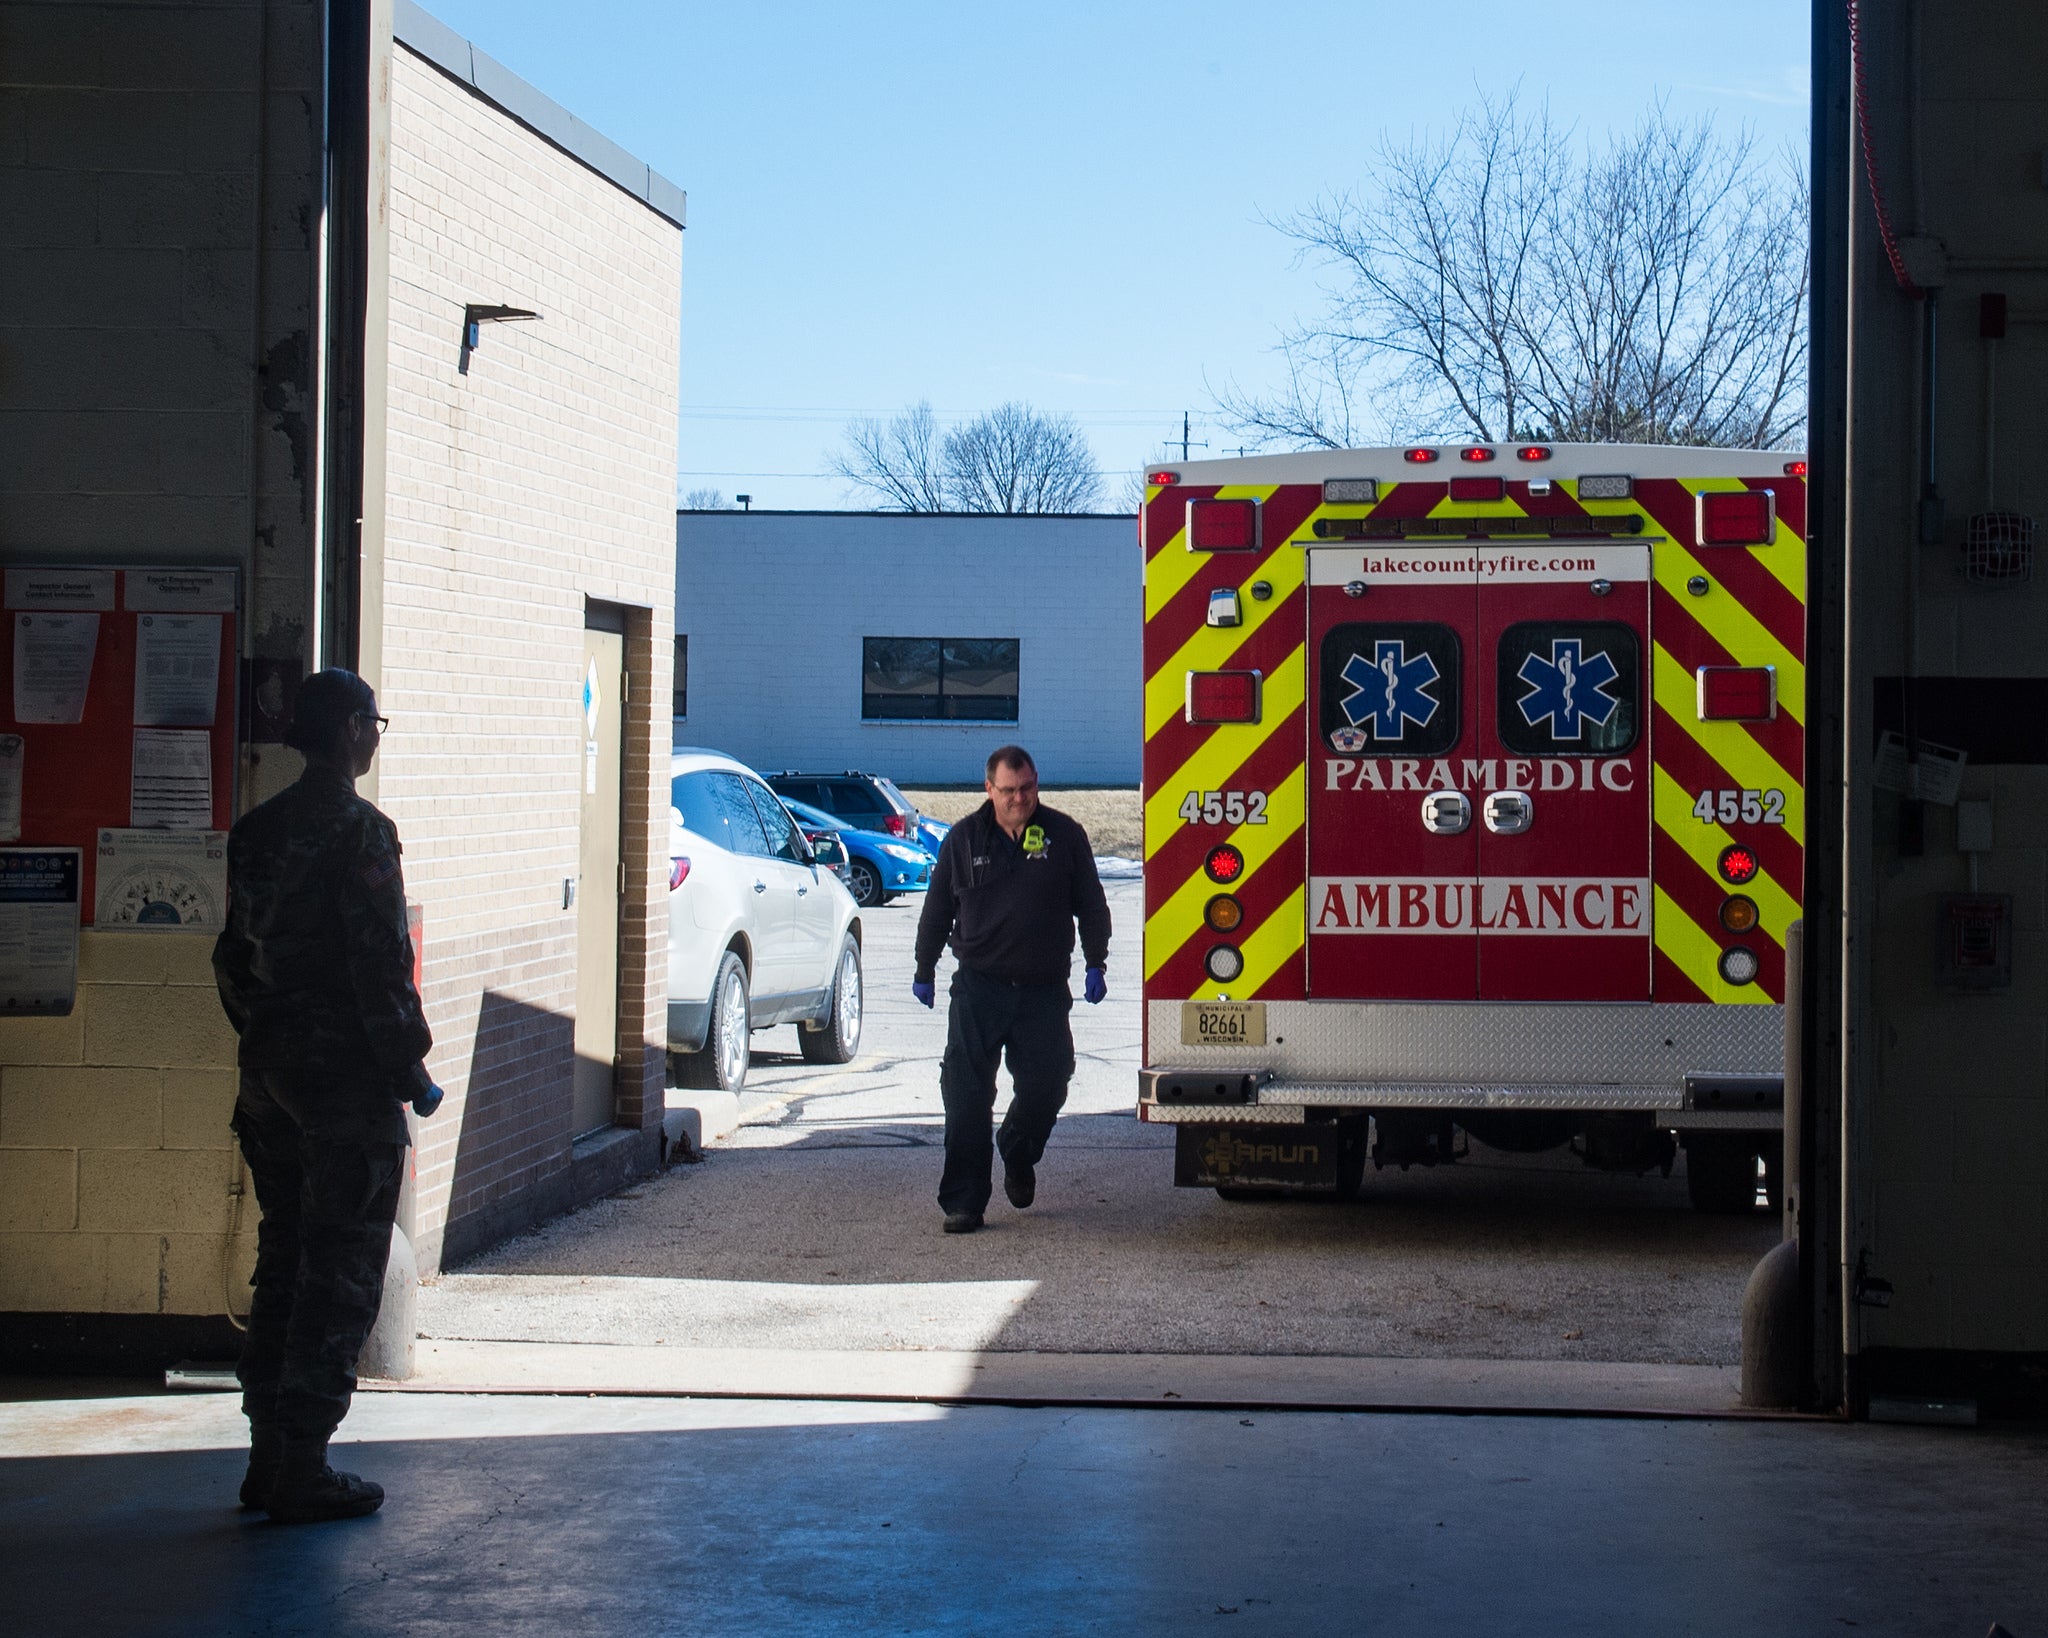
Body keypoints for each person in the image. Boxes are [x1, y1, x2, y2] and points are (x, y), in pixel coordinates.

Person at [212, 668, 440, 1523]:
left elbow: (232, 961)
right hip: (343, 1090)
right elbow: (382, 971)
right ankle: (304, 1464)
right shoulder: (361, 833)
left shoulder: (256, 833)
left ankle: (265, 1451)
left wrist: (266, 1038)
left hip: (268, 1082)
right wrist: (409, 1071)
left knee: (284, 1262)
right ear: (349, 730)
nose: (377, 735)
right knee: (340, 1276)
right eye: (374, 721)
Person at [913, 745, 1111, 1233]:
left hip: (1042, 989)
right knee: (966, 1095)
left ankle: (1018, 1151)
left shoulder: (1065, 836)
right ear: (989, 789)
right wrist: (925, 968)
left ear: (1036, 783)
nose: (1019, 798)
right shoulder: (962, 840)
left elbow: (1091, 902)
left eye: (1026, 788)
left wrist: (1096, 961)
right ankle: (963, 1202)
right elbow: (937, 910)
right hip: (980, 986)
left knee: (1049, 1083)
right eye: (1008, 790)